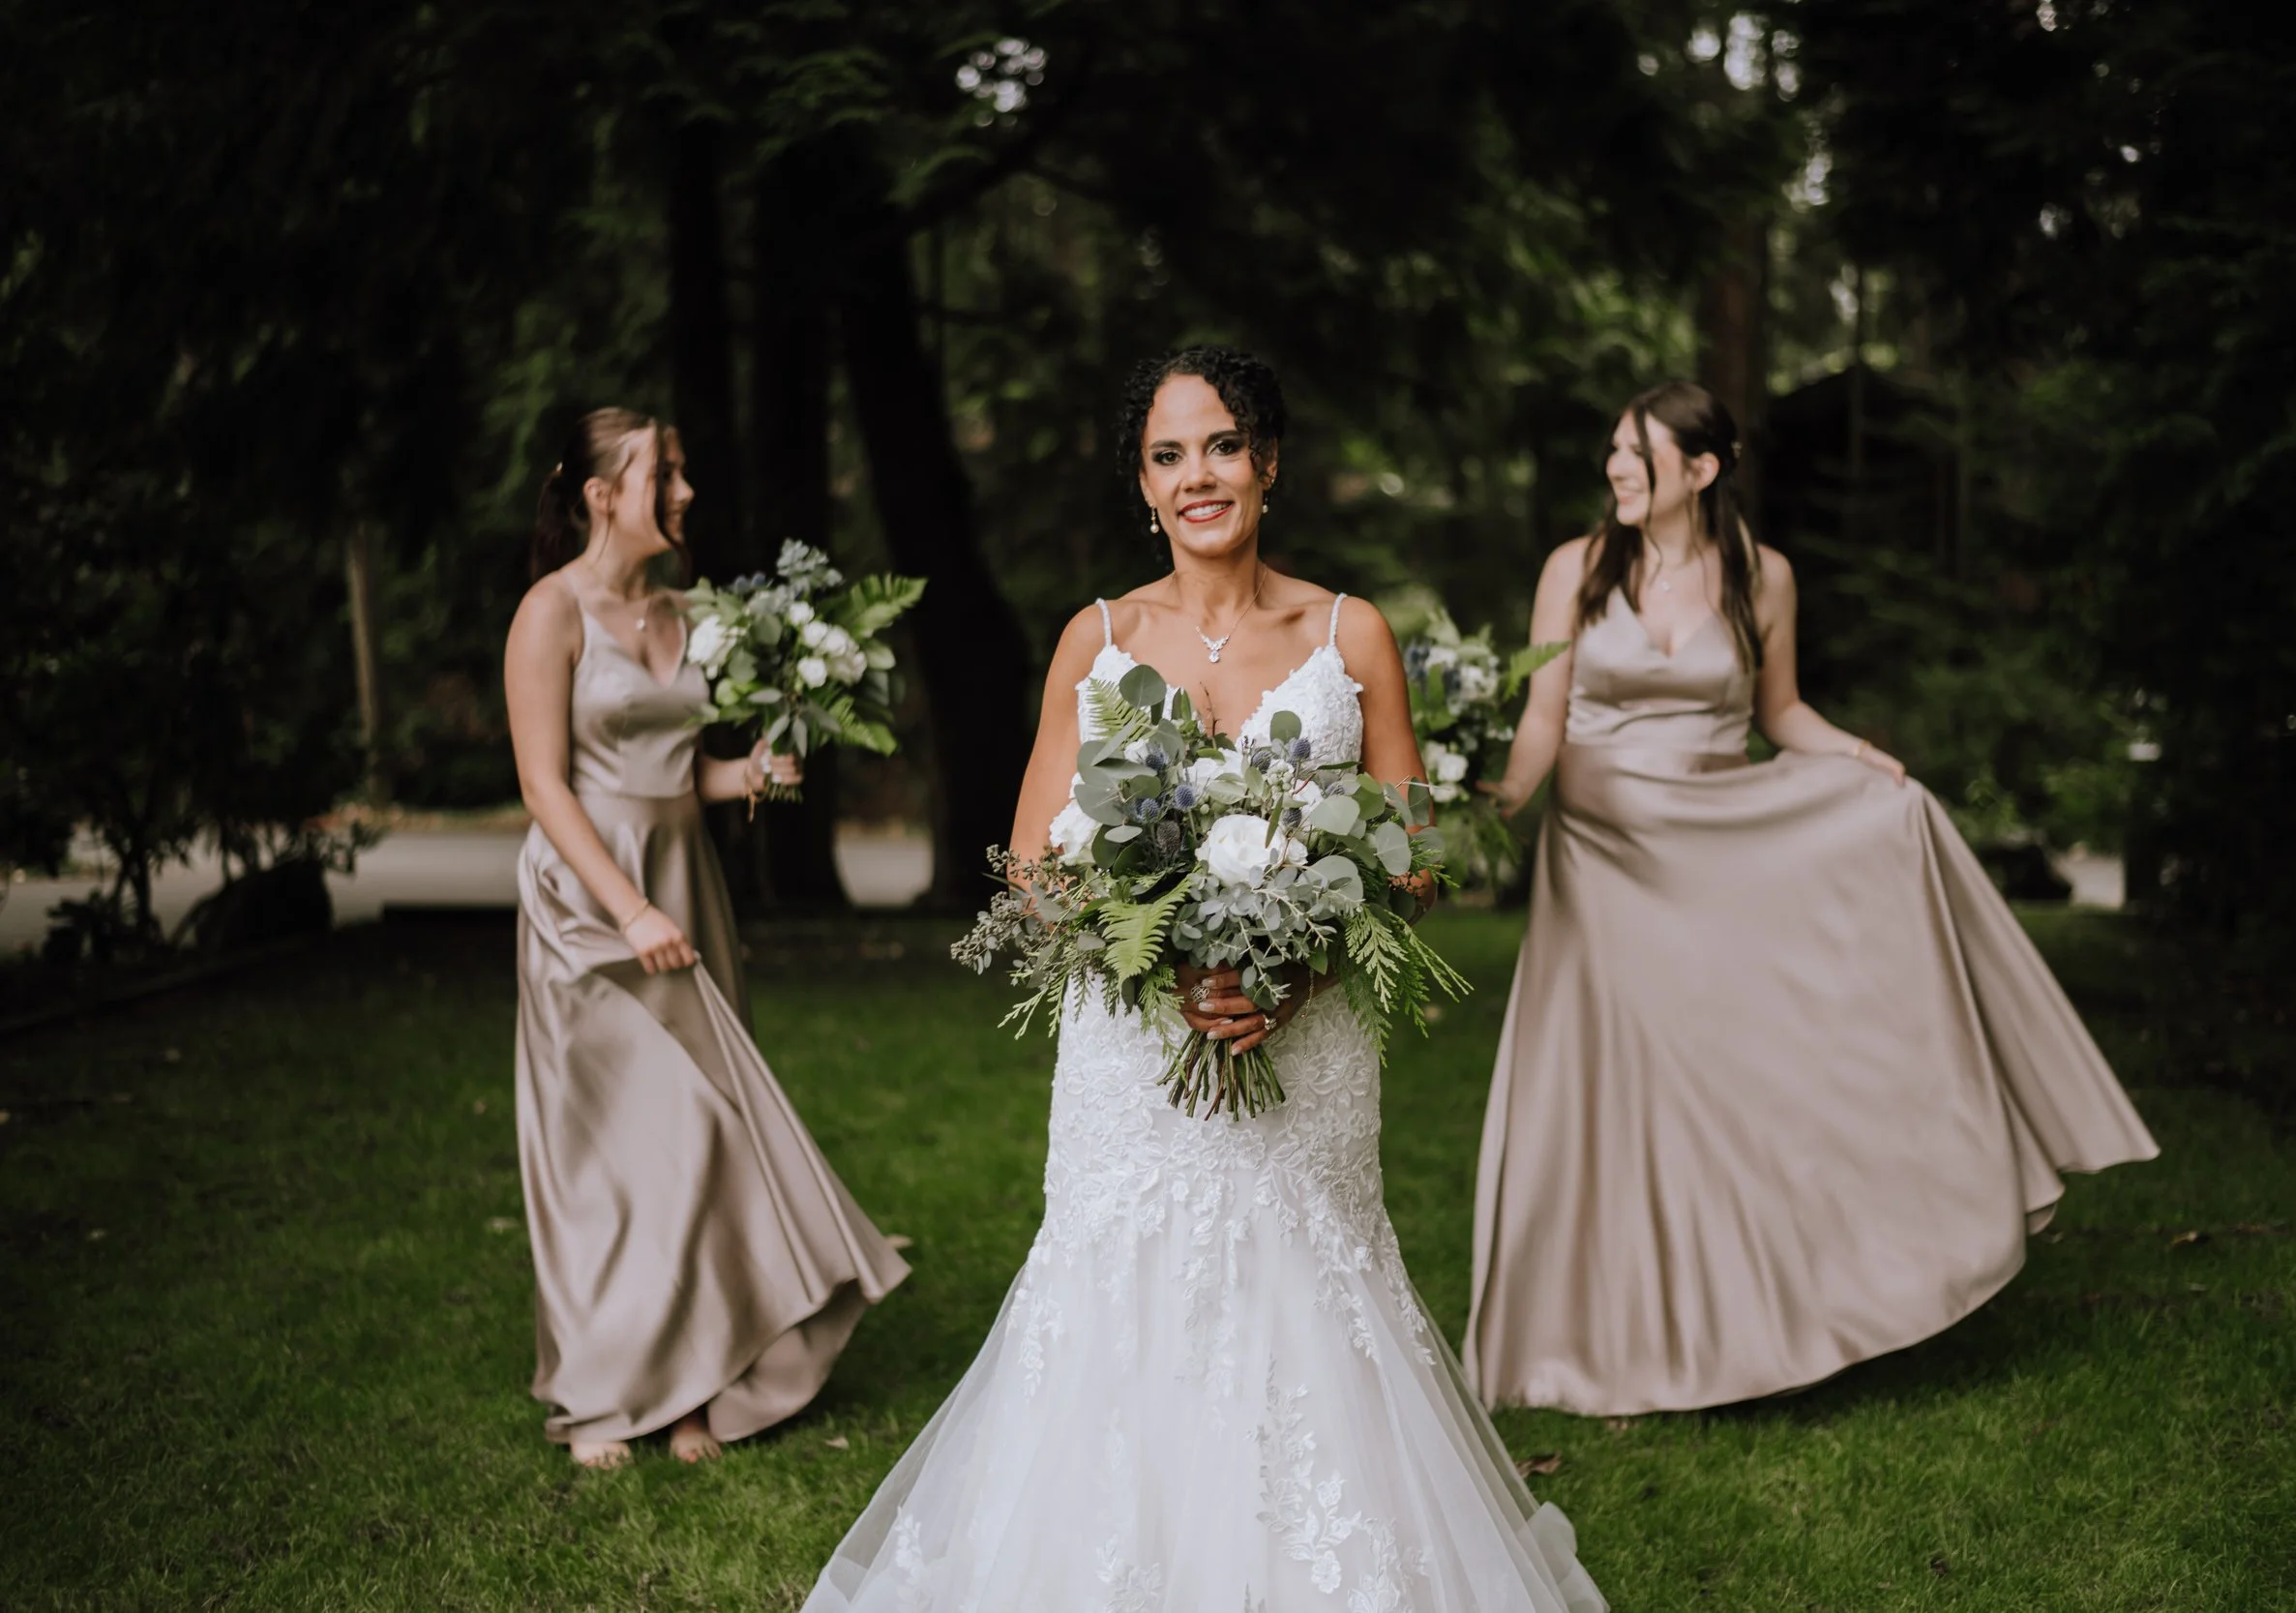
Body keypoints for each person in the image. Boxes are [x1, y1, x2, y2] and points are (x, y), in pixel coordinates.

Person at [801, 349, 1603, 1611]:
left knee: (1308, 1301)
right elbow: (1027, 862)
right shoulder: (1099, 636)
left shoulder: (1350, 634)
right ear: (1142, 484)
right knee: (1125, 1293)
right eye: (1168, 454)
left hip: (1309, 1041)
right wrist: (1155, 948)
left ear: (1268, 463)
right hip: (1133, 1047)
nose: (1199, 475)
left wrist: (1294, 970)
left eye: (1223, 445)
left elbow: (1416, 859)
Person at [1464, 380, 2159, 1419]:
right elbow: (1541, 719)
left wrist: (1867, 761)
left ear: (1698, 471)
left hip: (1713, 848)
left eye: (1637, 454)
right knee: (1619, 1087)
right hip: (1600, 861)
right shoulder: (1574, 567)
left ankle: (1795, 1300)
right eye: (1611, 447)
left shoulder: (1763, 576)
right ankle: (1601, 1343)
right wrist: (1492, 807)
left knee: (1736, 1077)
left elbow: (1779, 711)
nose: (1614, 467)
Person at [503, 407, 909, 1469]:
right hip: (591, 902)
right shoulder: (550, 612)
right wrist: (626, 908)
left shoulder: (688, 608)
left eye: (680, 469)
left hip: (686, 885)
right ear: (601, 493)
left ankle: (694, 1385)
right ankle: (604, 1391)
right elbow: (545, 782)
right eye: (662, 472)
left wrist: (750, 775)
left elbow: (679, 769)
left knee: (701, 1147)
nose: (684, 489)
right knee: (611, 1149)